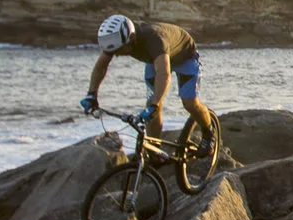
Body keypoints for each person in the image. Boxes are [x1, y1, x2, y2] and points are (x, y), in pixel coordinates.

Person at [83, 13, 217, 143]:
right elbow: (101, 66)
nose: (116, 55)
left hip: (184, 56)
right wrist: (91, 94)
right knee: (152, 108)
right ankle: (155, 148)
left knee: (189, 103)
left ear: (132, 38)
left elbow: (164, 73)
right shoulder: (118, 40)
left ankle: (209, 132)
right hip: (155, 59)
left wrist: (156, 103)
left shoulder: (154, 39)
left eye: (119, 50)